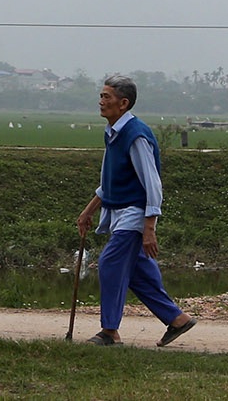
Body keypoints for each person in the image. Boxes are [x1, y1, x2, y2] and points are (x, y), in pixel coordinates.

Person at [76, 73, 196, 347]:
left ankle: (109, 332)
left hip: (134, 213)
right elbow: (109, 181)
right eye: (101, 96)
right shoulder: (113, 133)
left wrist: (149, 227)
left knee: (109, 263)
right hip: (118, 211)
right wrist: (88, 211)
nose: (101, 101)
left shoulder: (135, 135)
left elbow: (152, 184)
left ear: (123, 103)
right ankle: (178, 320)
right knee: (138, 272)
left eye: (106, 97)